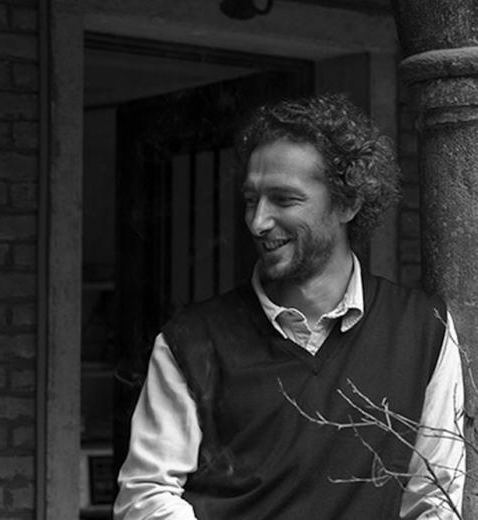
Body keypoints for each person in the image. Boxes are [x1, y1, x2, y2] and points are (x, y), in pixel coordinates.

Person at [114, 94, 465, 519]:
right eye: (251, 199)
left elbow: (435, 499)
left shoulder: (423, 329)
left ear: (348, 203)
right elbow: (146, 496)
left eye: (283, 200)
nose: (257, 221)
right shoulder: (191, 340)